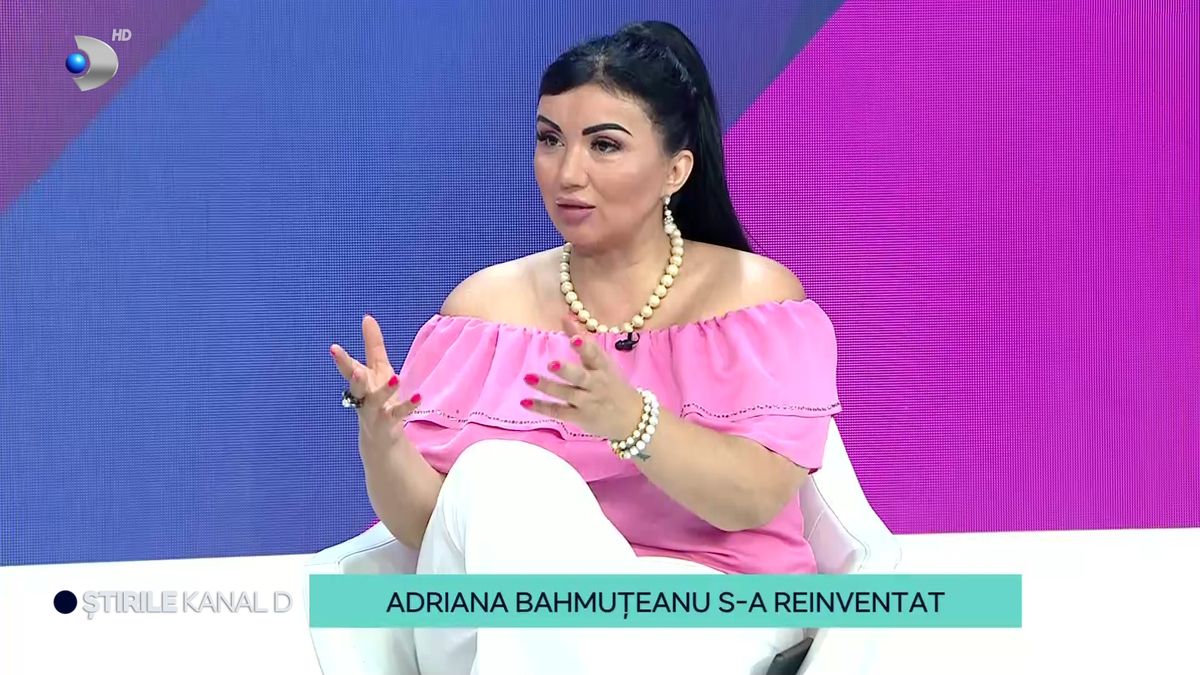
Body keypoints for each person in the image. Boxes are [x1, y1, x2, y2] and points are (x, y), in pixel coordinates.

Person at [328, 20, 841, 675]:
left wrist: (630, 421)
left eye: (604, 145)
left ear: (676, 169)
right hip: (512, 616)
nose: (568, 173)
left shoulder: (752, 297)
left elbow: (751, 499)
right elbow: (432, 528)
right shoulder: (483, 308)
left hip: (707, 601)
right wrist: (382, 440)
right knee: (499, 475)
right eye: (550, 140)